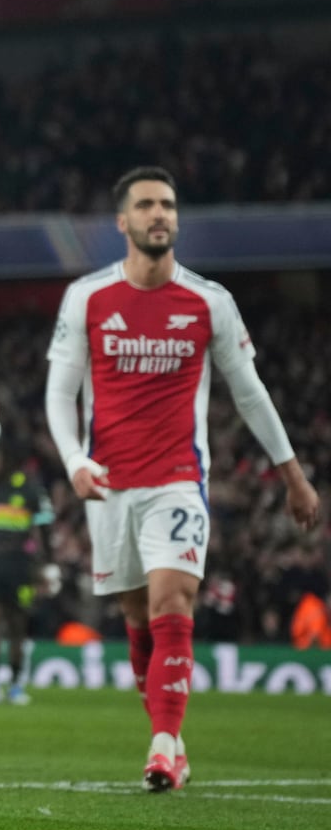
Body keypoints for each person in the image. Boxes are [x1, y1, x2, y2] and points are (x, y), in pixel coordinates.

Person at [45, 164, 319, 793]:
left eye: (167, 205)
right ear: (123, 222)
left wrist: (293, 474)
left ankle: (163, 746)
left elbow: (249, 393)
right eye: (145, 205)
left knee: (173, 602)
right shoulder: (87, 298)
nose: (159, 214)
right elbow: (60, 395)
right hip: (108, 485)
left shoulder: (209, 301)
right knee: (138, 621)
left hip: (177, 480)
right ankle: (173, 737)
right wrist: (75, 463)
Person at [0, 463, 53, 705]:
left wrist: (48, 564)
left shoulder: (30, 490)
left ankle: (16, 684)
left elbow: (44, 529)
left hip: (20, 565)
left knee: (17, 624)